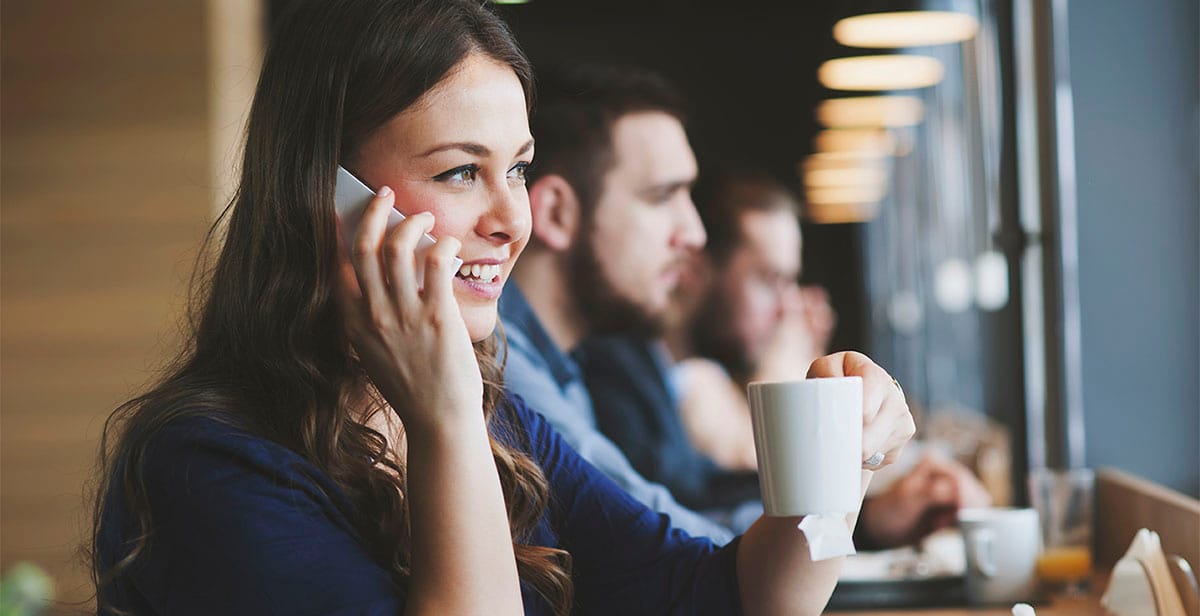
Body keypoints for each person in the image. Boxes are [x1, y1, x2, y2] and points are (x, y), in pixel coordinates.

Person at [90, 2, 915, 614]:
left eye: (516, 169)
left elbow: (724, 597)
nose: (510, 220)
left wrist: (844, 460)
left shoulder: (502, 423)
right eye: (460, 172)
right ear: (327, 198)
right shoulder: (206, 463)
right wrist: (446, 417)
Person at [671, 170, 992, 547]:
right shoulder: (671, 382)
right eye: (769, 280)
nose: (788, 307)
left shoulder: (710, 376)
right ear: (698, 270)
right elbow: (747, 494)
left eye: (791, 282)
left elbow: (740, 493)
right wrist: (788, 371)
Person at [500, 67, 756, 535]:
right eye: (662, 197)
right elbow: (645, 530)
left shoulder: (567, 363)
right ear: (556, 213)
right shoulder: (501, 366)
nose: (694, 234)